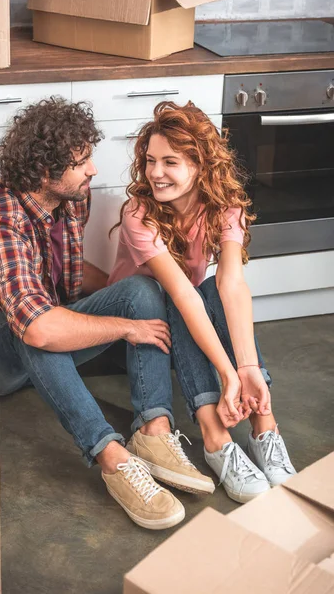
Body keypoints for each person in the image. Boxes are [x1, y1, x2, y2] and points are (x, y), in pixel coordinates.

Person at [0, 97, 220, 531]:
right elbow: (38, 326)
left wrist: (140, 304)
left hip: (46, 321)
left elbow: (72, 280)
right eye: (81, 163)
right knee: (36, 328)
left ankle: (153, 432)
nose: (93, 170)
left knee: (140, 288)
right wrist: (127, 327)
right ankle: (113, 459)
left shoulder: (73, 197)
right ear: (45, 172)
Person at [108, 101, 296, 504]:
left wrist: (246, 370)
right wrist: (227, 375)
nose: (155, 172)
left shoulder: (224, 206)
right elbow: (179, 294)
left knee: (210, 287)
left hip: (185, 325)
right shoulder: (139, 213)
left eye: (170, 162)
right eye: (151, 160)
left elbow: (230, 283)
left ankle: (266, 428)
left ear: (200, 166)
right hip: (134, 332)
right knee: (178, 295)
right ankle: (215, 437)